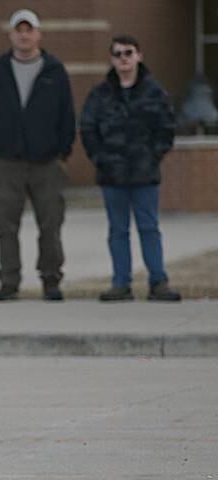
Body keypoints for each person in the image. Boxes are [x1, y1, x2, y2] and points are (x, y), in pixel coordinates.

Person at [0, 9, 75, 302]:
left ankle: (51, 280)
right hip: (7, 162)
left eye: (29, 29)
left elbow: (67, 114)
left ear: (38, 34)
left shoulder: (54, 70)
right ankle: (9, 281)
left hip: (46, 163)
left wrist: (63, 152)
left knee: (50, 225)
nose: (24, 35)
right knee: (6, 227)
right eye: (18, 30)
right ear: (11, 35)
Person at [80, 35, 181, 302]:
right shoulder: (100, 95)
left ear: (139, 56)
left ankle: (158, 282)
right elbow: (88, 128)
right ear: (112, 59)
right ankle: (121, 284)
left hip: (144, 175)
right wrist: (101, 157)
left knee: (149, 228)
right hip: (112, 175)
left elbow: (167, 128)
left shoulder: (155, 92)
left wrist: (152, 157)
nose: (123, 59)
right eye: (118, 54)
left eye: (128, 53)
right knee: (118, 231)